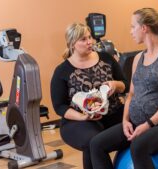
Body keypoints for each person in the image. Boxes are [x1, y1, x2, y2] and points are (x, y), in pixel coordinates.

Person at [89, 8, 158, 169]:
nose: (130, 31)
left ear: (144, 28)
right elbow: (131, 94)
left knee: (138, 146)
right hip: (136, 123)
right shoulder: (137, 58)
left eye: (132, 26)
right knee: (96, 144)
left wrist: (148, 124)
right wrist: (125, 121)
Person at [50, 23, 128, 169]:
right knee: (93, 141)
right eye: (83, 39)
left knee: (140, 124)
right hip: (78, 121)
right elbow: (59, 106)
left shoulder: (106, 58)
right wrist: (82, 117)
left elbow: (126, 85)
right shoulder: (62, 71)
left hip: (113, 113)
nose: (90, 42)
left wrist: (115, 85)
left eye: (90, 37)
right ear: (72, 43)